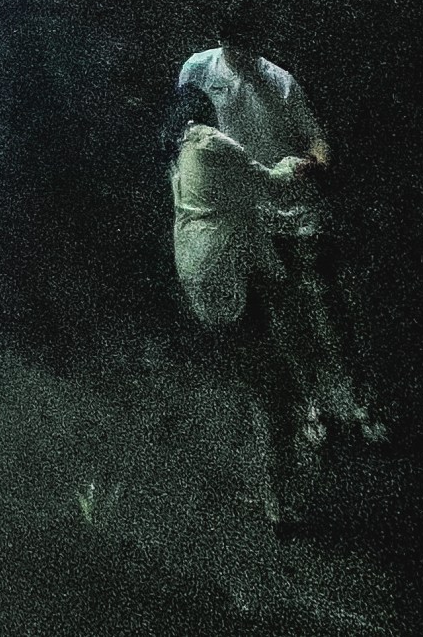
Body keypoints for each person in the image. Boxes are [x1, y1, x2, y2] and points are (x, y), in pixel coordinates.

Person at [178, 0, 383, 442]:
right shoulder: (196, 71)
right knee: (284, 316)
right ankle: (314, 406)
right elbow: (188, 135)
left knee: (329, 311)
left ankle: (359, 404)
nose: (244, 57)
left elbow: (315, 139)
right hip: (250, 218)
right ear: (221, 41)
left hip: (299, 212)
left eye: (251, 46)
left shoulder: (280, 82)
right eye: (236, 47)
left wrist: (313, 162)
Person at [164, 82, 323, 529]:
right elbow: (269, 184)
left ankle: (280, 483)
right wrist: (302, 163)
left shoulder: (176, 157)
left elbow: (232, 200)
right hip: (228, 275)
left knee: (263, 377)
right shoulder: (208, 142)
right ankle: (280, 499)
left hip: (200, 277)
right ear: (204, 110)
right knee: (272, 389)